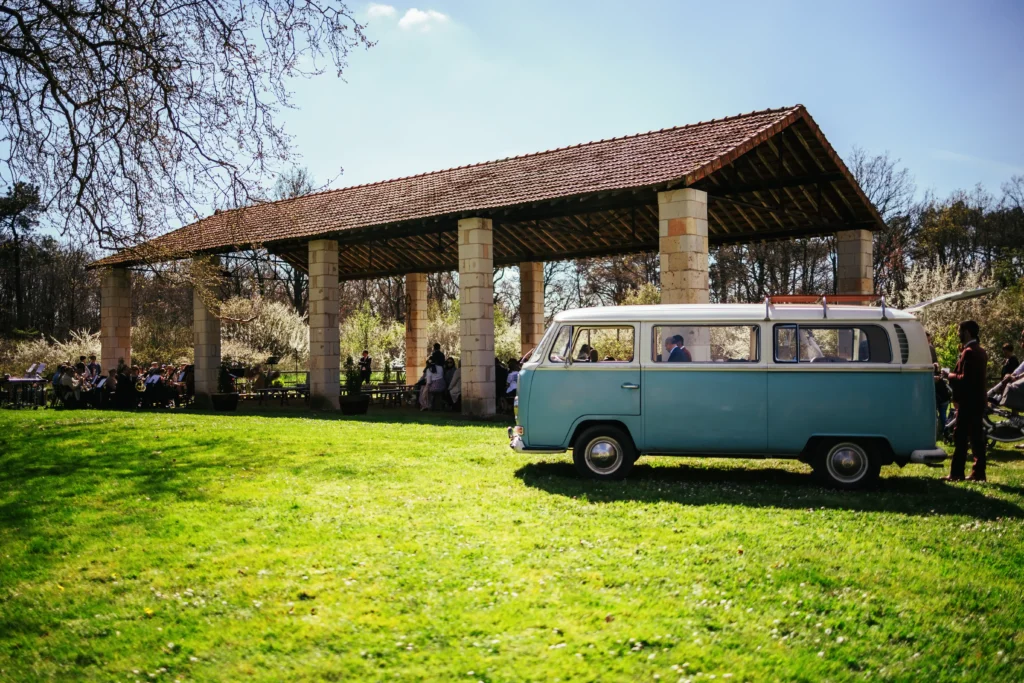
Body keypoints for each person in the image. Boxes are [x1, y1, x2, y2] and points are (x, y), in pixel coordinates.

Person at [943, 320, 988, 482]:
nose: (958, 334)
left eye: (959, 331)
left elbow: (965, 379)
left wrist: (948, 375)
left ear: (967, 332)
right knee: (976, 438)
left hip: (969, 402)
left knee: (960, 437)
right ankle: (978, 473)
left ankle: (956, 473)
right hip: (977, 401)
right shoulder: (980, 351)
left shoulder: (969, 352)